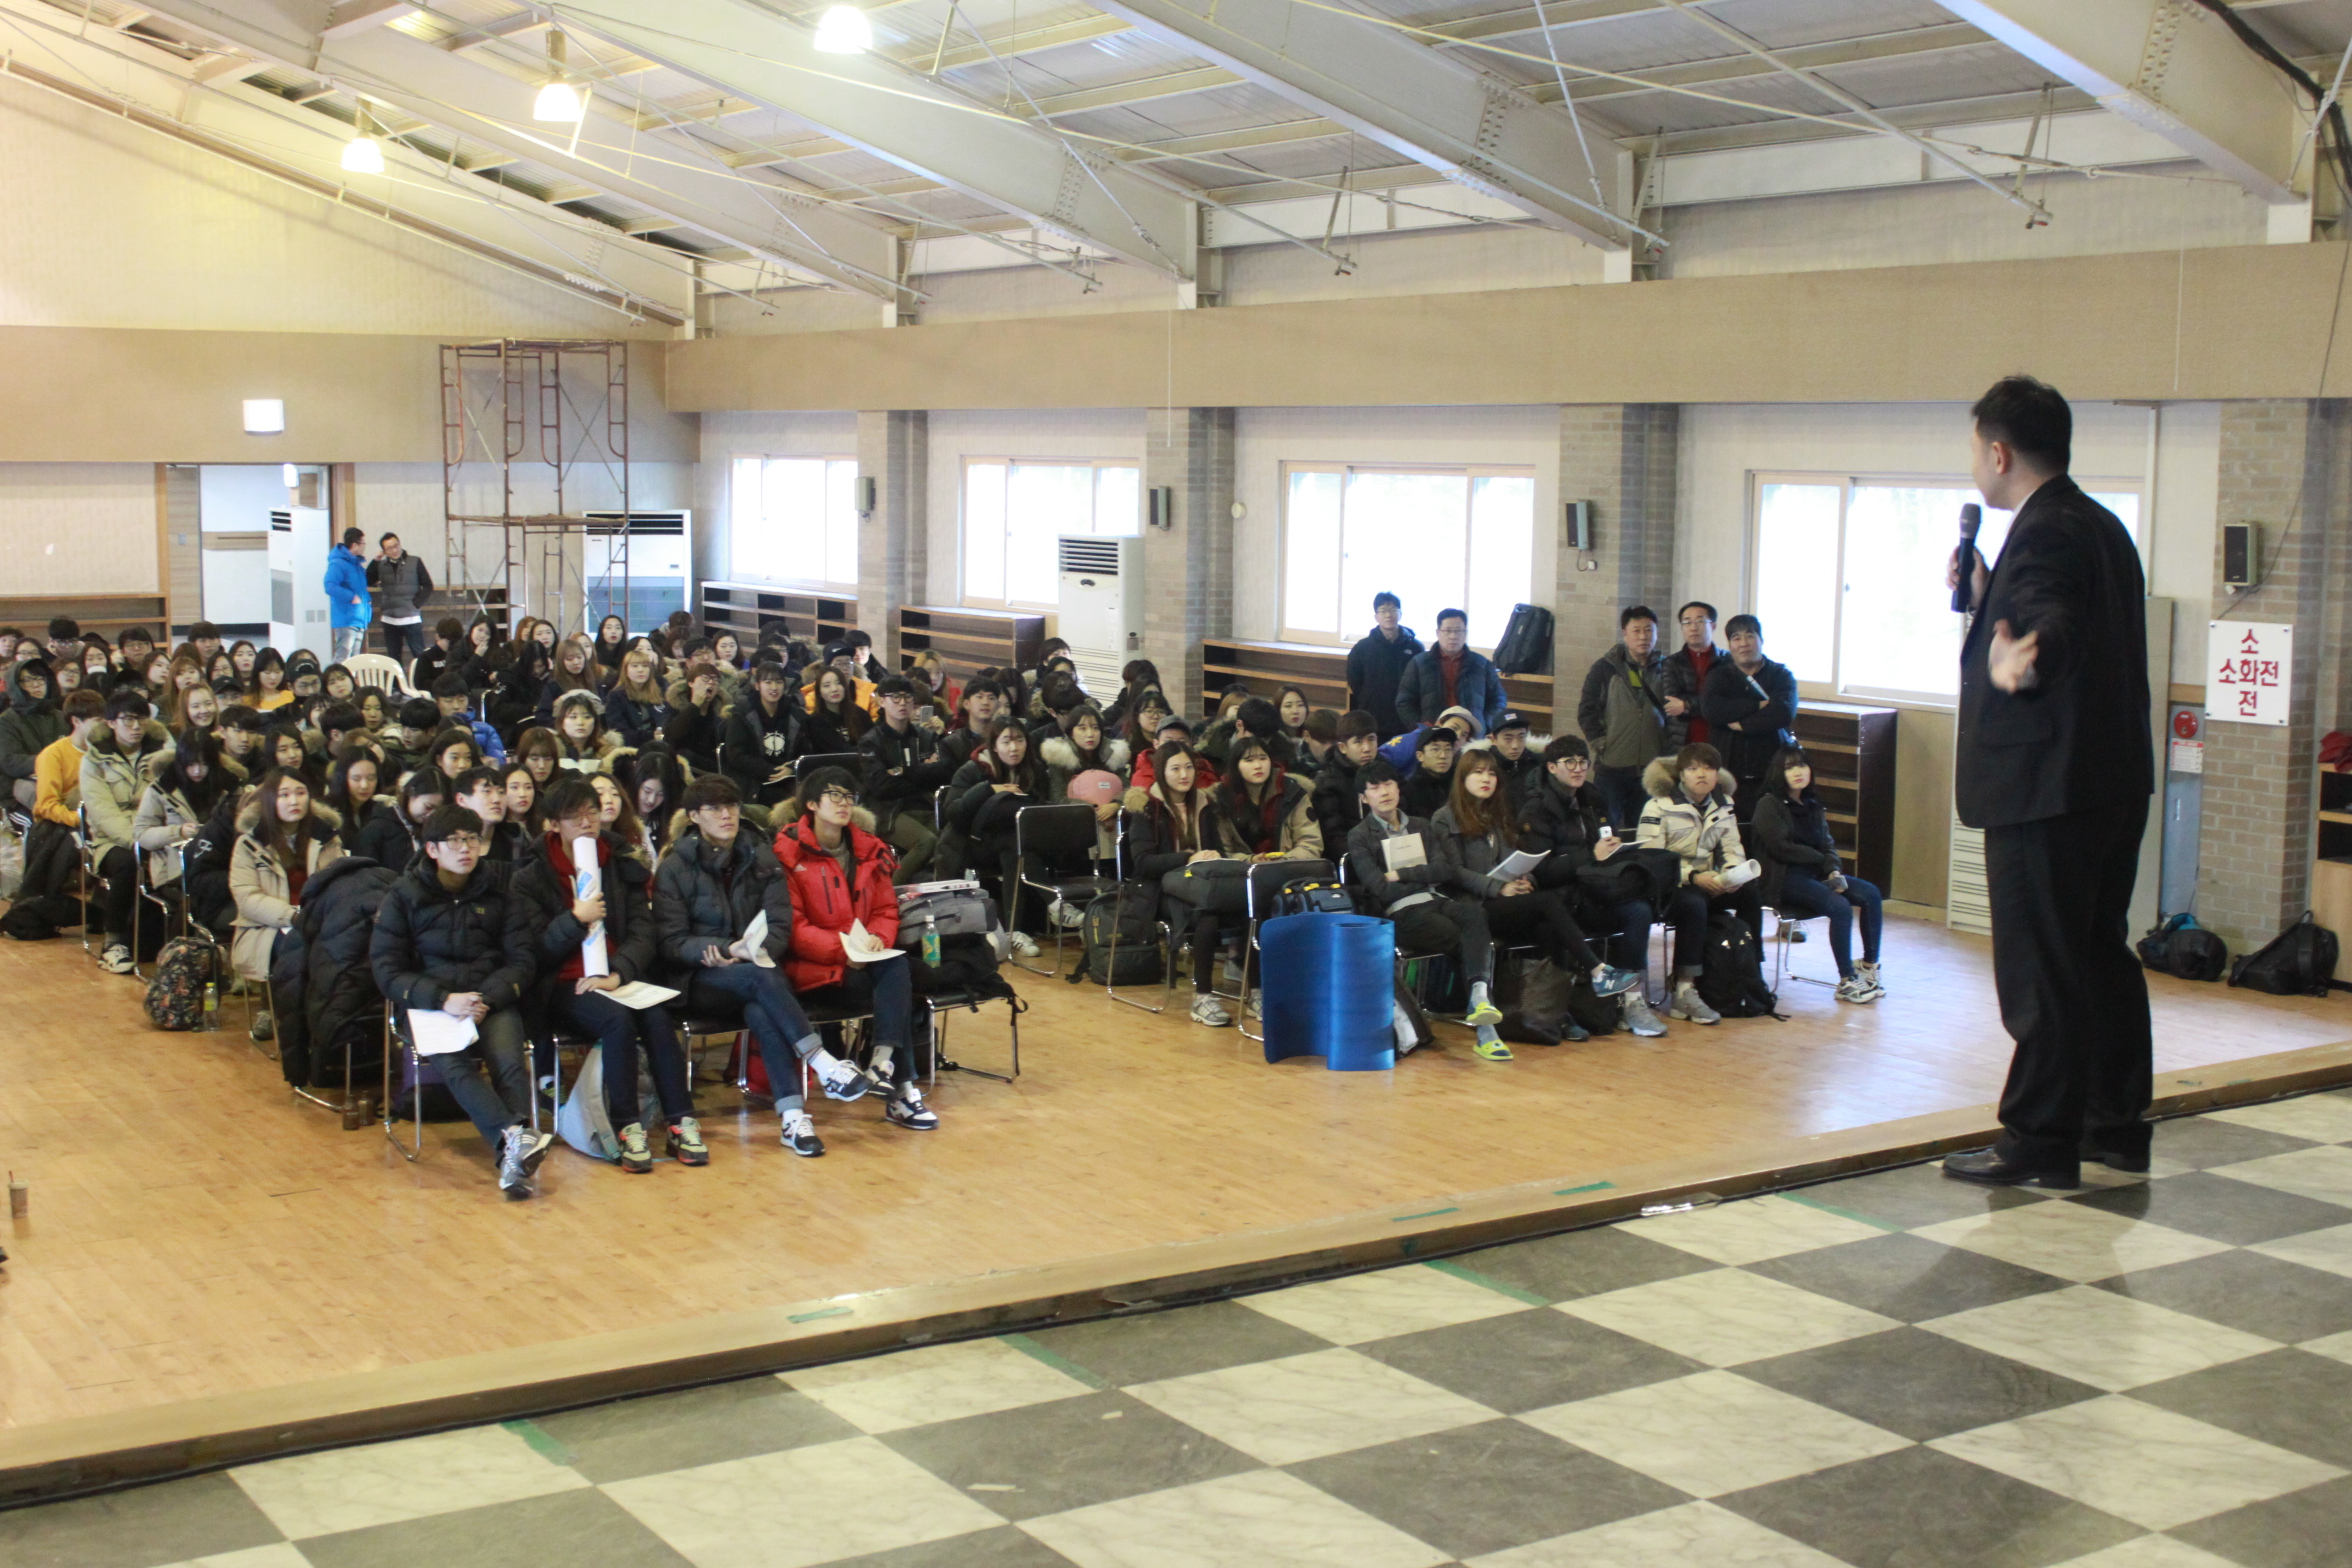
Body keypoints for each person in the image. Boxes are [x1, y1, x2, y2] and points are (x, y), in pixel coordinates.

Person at [1943, 376, 2152, 1188]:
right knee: (2097, 956)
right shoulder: (2098, 524)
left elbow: (2052, 617)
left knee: (2042, 968)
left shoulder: (2045, 534)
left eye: (1975, 449)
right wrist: (1984, 594)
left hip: (2045, 789)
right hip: (2107, 783)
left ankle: (2038, 1138)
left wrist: (2026, 659)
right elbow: (2051, 602)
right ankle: (2114, 1125)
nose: (1974, 464)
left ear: (1999, 453)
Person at [652, 774, 874, 1158]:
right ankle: (822, 1061)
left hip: (755, 971)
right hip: (699, 979)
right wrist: (724, 948)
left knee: (761, 1006)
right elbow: (671, 942)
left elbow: (780, 923)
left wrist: (753, 950)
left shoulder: (760, 855)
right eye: (715, 809)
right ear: (694, 816)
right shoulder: (674, 867)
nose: (727, 815)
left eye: (732, 806)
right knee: (762, 980)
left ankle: (793, 1117)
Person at [512, 777, 704, 1174]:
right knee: (616, 1020)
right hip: (563, 984)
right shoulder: (530, 877)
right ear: (554, 825)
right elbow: (534, 950)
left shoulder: (618, 863)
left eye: (592, 812)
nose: (587, 823)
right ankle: (626, 1126)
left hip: (616, 977)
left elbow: (642, 930)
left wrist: (619, 972)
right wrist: (574, 920)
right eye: (575, 816)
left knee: (656, 1016)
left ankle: (680, 1120)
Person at [370, 804, 551, 1198]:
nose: (465, 848)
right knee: (455, 1065)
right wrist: (442, 999)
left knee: (509, 1063)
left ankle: (513, 1156)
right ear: (432, 849)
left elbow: (522, 959)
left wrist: (488, 998)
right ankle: (515, 1136)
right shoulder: (404, 895)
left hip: (489, 999)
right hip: (430, 1006)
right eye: (454, 841)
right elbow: (386, 969)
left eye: (472, 839)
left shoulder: (499, 890)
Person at [772, 767, 938, 1131]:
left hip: (864, 960)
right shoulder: (787, 853)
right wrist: (842, 951)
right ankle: (901, 1092)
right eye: (835, 795)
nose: (844, 803)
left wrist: (878, 937)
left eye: (849, 797)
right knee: (897, 988)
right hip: (816, 968)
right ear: (812, 804)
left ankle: (881, 1066)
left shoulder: (869, 849)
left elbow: (885, 909)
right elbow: (793, 927)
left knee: (897, 969)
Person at [1430, 748, 1641, 1027]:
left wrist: (1525, 880)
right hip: (1471, 907)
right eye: (1478, 773)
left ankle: (1554, 1012)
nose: (1487, 779)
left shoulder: (1497, 815)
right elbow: (1454, 873)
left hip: (1502, 900)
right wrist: (1499, 888)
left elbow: (1515, 860)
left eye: (1492, 773)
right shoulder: (1444, 818)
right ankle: (1598, 971)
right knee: (1547, 902)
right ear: (1462, 779)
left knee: (1547, 927)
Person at [1345, 759, 1509, 1059]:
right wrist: (1421, 876)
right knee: (1468, 941)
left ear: (1398, 788)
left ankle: (1479, 998)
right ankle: (1486, 1028)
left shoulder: (1420, 825)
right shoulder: (1360, 835)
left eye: (1389, 784)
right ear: (1364, 797)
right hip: (1401, 912)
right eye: (1375, 788)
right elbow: (1380, 889)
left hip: (1436, 899)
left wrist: (1402, 874)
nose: (1384, 792)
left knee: (1475, 914)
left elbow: (1444, 869)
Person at [1518, 735, 1671, 1038]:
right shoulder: (1535, 809)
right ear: (1551, 767)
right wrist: (1591, 855)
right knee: (1557, 923)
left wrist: (1615, 847)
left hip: (1597, 887)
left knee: (1640, 911)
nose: (1578, 769)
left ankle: (1632, 1001)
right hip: (1564, 897)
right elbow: (1542, 871)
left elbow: (1605, 836)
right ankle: (1573, 1004)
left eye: (1583, 762)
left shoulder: (1592, 796)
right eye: (1570, 762)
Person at [1637, 743, 1762, 1027]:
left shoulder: (1724, 804)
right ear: (1681, 774)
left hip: (1710, 881)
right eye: (1693, 769)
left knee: (1750, 894)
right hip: (1670, 885)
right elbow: (1651, 858)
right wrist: (1692, 876)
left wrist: (1731, 874)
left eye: (1708, 768)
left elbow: (1732, 848)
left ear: (1717, 774)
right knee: (1694, 904)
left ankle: (1751, 970)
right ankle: (1684, 989)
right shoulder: (1658, 805)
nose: (1701, 774)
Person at [1752, 745, 1883, 1004]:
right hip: (1783, 878)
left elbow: (1827, 844)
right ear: (1778, 772)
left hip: (1815, 875)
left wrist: (1833, 869)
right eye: (1789, 767)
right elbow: (1781, 848)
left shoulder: (1812, 805)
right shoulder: (1769, 804)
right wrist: (1820, 860)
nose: (1797, 772)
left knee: (1871, 894)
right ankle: (1846, 980)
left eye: (1802, 765)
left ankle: (1869, 967)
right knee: (1839, 907)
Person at [231, 766, 346, 1039]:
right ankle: (278, 1012)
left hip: (318, 918)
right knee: (294, 946)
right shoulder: (250, 843)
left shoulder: (325, 837)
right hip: (266, 925)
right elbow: (247, 898)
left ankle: (330, 1014)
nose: (294, 801)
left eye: (300, 793)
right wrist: (291, 915)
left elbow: (340, 884)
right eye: (284, 795)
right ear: (270, 800)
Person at [1124, 742, 1234, 1026]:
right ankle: (1203, 997)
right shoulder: (1147, 807)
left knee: (1248, 905)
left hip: (1201, 883)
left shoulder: (1205, 803)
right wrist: (1187, 857)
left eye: (1188, 767)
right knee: (1206, 916)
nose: (1184, 775)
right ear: (1161, 771)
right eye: (1175, 769)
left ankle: (1257, 990)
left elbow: (1218, 848)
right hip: (1158, 890)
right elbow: (1143, 864)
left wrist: (1214, 855)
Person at [81, 690, 173, 972]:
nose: (136, 727)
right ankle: (112, 943)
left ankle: (178, 936)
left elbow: (172, 799)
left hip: (157, 833)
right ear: (111, 722)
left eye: (141, 719)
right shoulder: (94, 761)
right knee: (128, 863)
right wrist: (139, 840)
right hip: (112, 840)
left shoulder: (162, 752)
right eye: (128, 720)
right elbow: (103, 812)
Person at [944, 715, 1049, 955]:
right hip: (973, 844)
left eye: (1019, 740)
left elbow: (1041, 809)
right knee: (1016, 844)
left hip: (1016, 844)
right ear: (993, 746)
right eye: (1006, 741)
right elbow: (953, 813)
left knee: (1016, 847)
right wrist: (988, 789)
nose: (1014, 748)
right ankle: (1054, 903)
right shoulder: (974, 769)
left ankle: (1014, 931)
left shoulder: (1035, 770)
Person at [1578, 606, 1669, 831]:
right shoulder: (1605, 668)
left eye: (1649, 630)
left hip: (1652, 768)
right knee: (1606, 830)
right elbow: (1587, 711)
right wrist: (1602, 743)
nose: (1643, 636)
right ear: (1624, 634)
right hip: (1612, 767)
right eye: (1636, 630)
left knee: (1647, 831)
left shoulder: (1666, 668)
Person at [1699, 614, 1799, 816]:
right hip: (1727, 772)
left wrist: (1743, 724)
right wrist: (1757, 705)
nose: (1743, 644)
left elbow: (1783, 712)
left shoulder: (1780, 675)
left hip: (1770, 770)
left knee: (1768, 825)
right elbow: (1712, 710)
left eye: (1750, 636)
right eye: (1736, 638)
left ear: (1761, 640)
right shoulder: (1718, 676)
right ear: (1730, 644)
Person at [858, 676, 952, 883]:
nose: (902, 703)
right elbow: (881, 787)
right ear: (881, 701)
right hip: (887, 810)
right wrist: (921, 772)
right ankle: (889, 890)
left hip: (923, 804)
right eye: (895, 697)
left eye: (907, 697)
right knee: (926, 842)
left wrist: (902, 772)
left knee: (952, 840)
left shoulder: (924, 736)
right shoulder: (871, 741)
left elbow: (943, 773)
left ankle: (940, 891)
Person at [134, 729, 227, 915]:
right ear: (181, 762)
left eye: (204, 764)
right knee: (207, 899)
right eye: (191, 764)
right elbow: (141, 834)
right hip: (175, 871)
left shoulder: (227, 787)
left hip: (219, 866)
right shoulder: (161, 789)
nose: (197, 771)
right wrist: (178, 832)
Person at [1395, 608, 1508, 736]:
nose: (1453, 636)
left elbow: (1498, 699)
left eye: (1458, 631)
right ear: (1438, 633)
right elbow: (1404, 702)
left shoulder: (1481, 664)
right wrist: (1421, 729)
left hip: (1471, 736)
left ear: (1465, 633)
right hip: (1432, 736)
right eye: (1447, 631)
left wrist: (1485, 725)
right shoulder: (1419, 663)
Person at [725, 661, 808, 810]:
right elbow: (736, 754)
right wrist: (771, 771)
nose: (774, 687)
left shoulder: (796, 714)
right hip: (753, 780)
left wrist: (792, 767)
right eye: (768, 682)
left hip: (789, 779)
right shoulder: (742, 713)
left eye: (778, 682)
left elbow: (807, 750)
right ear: (757, 686)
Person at [1347, 592, 1424, 740]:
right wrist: (1368, 698)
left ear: (1400, 614)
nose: (1388, 615)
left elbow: (1421, 681)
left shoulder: (1415, 647)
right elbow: (1354, 680)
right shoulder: (1363, 647)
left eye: (1393, 610)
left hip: (1406, 717)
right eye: (1383, 611)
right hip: (1374, 716)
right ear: (1376, 616)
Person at [1310, 710, 1381, 854]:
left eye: (1371, 739)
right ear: (1343, 747)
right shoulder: (1327, 783)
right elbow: (1334, 837)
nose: (1367, 748)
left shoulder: (1387, 774)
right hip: (1353, 857)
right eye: (1358, 741)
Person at [1658, 602, 1722, 751]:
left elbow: (1727, 703)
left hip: (1719, 740)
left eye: (1699, 621)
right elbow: (1672, 701)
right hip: (1682, 740)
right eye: (1687, 622)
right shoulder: (1671, 663)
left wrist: (1686, 705)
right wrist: (1712, 704)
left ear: (1713, 626)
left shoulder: (1727, 661)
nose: (1693, 627)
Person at [365, 533, 434, 670]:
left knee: (419, 655)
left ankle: (422, 681)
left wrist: (416, 604)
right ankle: (396, 683)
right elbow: (368, 580)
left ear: (400, 544)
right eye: (389, 548)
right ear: (384, 551)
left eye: (396, 546)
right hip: (389, 619)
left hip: (411, 617)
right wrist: (375, 561)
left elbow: (428, 585)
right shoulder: (381, 565)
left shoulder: (415, 561)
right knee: (393, 659)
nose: (394, 550)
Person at [0, 656, 62, 809]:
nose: (36, 684)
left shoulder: (61, 717)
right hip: (19, 787)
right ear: (16, 685)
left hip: (61, 777)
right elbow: (11, 762)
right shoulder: (6, 720)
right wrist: (51, 761)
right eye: (28, 680)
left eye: (41, 679)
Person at [603, 646, 672, 752]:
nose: (640, 670)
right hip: (630, 749)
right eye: (635, 666)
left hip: (661, 746)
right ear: (626, 670)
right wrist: (651, 736)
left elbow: (668, 721)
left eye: (645, 666)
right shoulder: (615, 696)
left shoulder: (661, 692)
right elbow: (620, 731)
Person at [1481, 710, 1544, 814]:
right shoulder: (1483, 767)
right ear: (1493, 739)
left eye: (1521, 737)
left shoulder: (1539, 764)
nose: (1515, 745)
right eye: (1508, 738)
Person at [325, 527, 372, 664]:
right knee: (343, 657)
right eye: (363, 543)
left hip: (358, 618)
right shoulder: (338, 563)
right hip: (346, 618)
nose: (364, 547)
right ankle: (334, 677)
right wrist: (351, 597)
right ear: (355, 545)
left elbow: (361, 589)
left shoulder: (356, 565)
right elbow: (330, 586)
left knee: (354, 661)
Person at [803, 666, 870, 754]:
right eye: (827, 685)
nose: (834, 689)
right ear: (819, 692)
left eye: (838, 683)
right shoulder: (814, 722)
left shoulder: (861, 715)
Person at [1401, 725, 1459, 820]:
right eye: (1435, 749)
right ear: (1420, 756)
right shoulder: (1408, 792)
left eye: (1448, 749)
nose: (1443, 755)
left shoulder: (1461, 783)